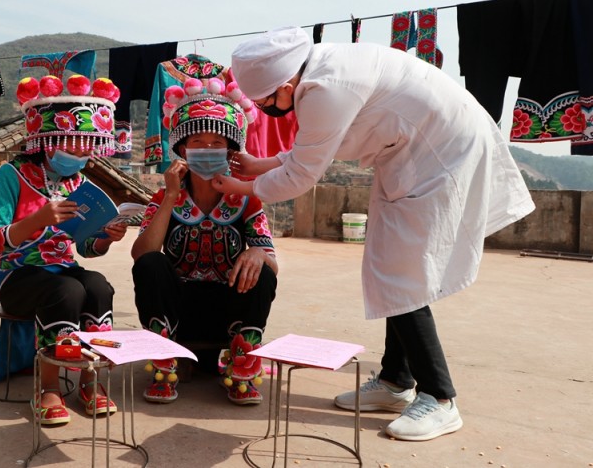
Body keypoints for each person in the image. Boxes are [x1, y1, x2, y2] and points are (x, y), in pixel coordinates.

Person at [214, 27, 535, 440]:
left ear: (286, 83)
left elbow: (300, 177)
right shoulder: (320, 70)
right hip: (409, 152)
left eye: (265, 101)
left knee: (402, 274)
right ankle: (395, 381)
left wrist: (239, 186)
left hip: (439, 155)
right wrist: (260, 166)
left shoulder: (325, 88)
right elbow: (313, 147)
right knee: (389, 268)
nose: (267, 109)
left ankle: (439, 398)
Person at [0, 75, 128, 426]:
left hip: (62, 268)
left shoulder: (79, 184)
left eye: (85, 146)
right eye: (72, 144)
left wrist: (107, 236)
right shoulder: (10, 176)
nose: (79, 154)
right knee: (66, 290)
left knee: (98, 286)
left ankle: (91, 382)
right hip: (17, 275)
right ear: (47, 139)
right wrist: (37, 219)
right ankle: (48, 388)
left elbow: (86, 247)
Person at [131, 78, 278, 405]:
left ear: (231, 149)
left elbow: (273, 263)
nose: (208, 150)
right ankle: (164, 360)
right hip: (179, 311)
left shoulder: (246, 200)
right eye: (198, 141)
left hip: (227, 311)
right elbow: (141, 254)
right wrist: (170, 196)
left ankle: (242, 364)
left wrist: (257, 251)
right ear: (182, 150)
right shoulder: (165, 197)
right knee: (152, 264)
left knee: (263, 270)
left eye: (217, 143)